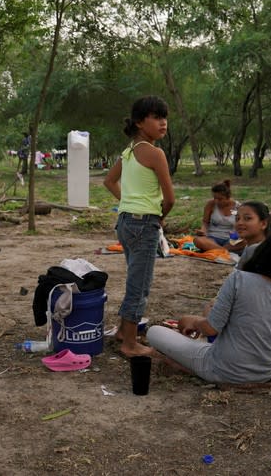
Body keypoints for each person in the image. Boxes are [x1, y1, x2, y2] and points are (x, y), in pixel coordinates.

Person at [146, 232, 271, 384]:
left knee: (154, 331)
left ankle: (186, 367)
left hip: (222, 370)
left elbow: (211, 329)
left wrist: (193, 322)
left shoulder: (239, 279)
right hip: (263, 373)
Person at [103, 95, 175, 357]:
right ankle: (130, 343)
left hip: (125, 222)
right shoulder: (155, 154)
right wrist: (159, 216)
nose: (163, 123)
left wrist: (130, 203)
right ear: (139, 122)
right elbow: (170, 199)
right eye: (156, 117)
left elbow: (109, 181)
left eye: (164, 117)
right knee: (140, 284)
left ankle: (124, 330)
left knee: (135, 278)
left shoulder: (129, 151)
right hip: (144, 224)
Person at [193, 180, 242, 253]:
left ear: (228, 197)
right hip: (212, 238)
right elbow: (205, 222)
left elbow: (241, 226)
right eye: (214, 198)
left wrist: (236, 236)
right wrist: (203, 231)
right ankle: (224, 251)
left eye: (220, 199)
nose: (216, 201)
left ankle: (217, 250)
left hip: (231, 239)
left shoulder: (238, 207)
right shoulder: (211, 204)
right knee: (197, 240)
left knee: (245, 242)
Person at [235, 201, 271, 269]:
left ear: (263, 224)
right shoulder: (251, 246)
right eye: (237, 219)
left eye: (247, 218)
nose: (239, 223)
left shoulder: (257, 249)